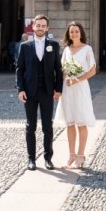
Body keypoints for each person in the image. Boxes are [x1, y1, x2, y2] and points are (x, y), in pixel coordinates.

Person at [17, 14, 63, 171]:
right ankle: (31, 159)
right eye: (38, 25)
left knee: (47, 126)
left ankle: (48, 158)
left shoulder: (54, 45)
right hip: (29, 92)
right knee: (30, 126)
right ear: (33, 27)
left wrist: (58, 89)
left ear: (47, 28)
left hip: (47, 92)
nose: (40, 28)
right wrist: (20, 89)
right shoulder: (25, 46)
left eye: (43, 26)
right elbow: (20, 69)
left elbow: (58, 69)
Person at [55, 21, 97, 169]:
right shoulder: (66, 49)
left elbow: (92, 71)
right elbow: (63, 70)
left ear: (81, 33)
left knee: (81, 122)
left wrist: (77, 79)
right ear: (68, 34)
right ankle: (71, 154)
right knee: (70, 123)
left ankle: (80, 155)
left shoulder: (87, 49)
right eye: (71, 31)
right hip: (68, 89)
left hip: (80, 87)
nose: (74, 34)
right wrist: (60, 87)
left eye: (76, 31)